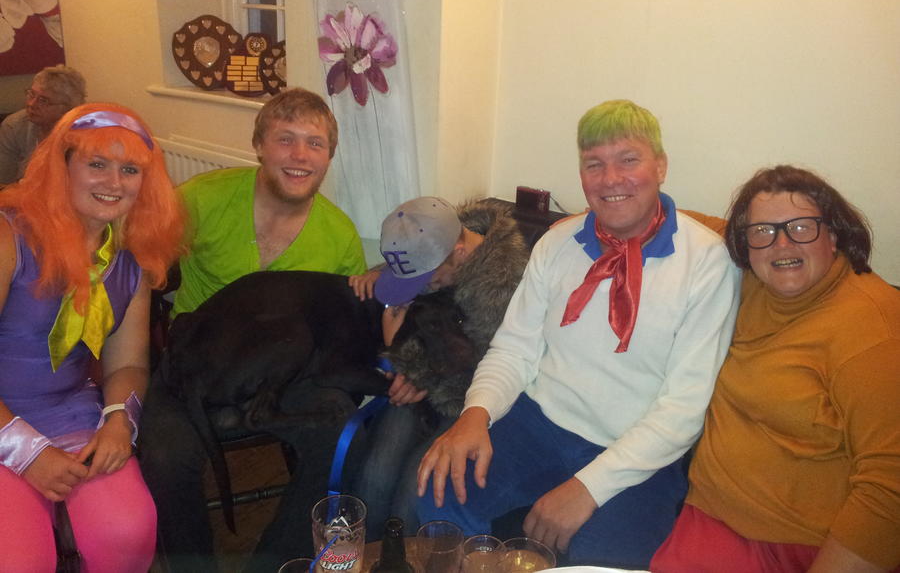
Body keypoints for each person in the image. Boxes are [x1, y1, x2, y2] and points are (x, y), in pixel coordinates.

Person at [417, 99, 742, 569]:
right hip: (537, 422)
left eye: (628, 159)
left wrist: (587, 488)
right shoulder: (558, 242)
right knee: (437, 493)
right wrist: (475, 414)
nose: (610, 179)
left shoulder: (708, 262)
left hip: (639, 451)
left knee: (603, 563)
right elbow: (514, 349)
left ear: (661, 166)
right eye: (594, 164)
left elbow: (683, 409)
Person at [139, 87, 368, 573]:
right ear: (259, 145)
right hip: (198, 367)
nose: (300, 155)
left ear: (329, 156)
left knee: (344, 434)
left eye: (314, 143)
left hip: (281, 378)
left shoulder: (340, 235)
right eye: (285, 139)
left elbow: (346, 332)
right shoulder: (203, 198)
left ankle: (272, 562)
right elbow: (139, 269)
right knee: (163, 456)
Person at [651, 165, 900, 573]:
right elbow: (688, 221)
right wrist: (596, 217)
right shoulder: (752, 281)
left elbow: (890, 485)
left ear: (834, 234)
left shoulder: (874, 328)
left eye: (801, 227)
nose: (781, 244)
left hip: (802, 545)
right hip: (709, 518)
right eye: (763, 231)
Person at [0, 103, 184, 572]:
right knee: (18, 559)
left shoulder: (131, 257)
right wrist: (24, 452)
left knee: (127, 530)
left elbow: (128, 364)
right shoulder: (8, 235)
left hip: (69, 411)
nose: (114, 182)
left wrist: (120, 420)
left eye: (130, 170)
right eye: (97, 164)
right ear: (61, 166)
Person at [350, 196, 530, 539]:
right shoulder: (433, 240)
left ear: (459, 253)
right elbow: (407, 282)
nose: (422, 288)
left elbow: (499, 368)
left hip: (467, 401)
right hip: (420, 379)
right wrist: (377, 279)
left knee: (414, 489)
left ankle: (404, 558)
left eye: (427, 281)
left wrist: (418, 372)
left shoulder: (506, 284)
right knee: (375, 472)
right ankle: (367, 554)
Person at [0, 65, 87, 184]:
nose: (31, 104)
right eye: (31, 94)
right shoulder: (14, 126)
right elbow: (4, 181)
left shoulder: (87, 131)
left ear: (67, 108)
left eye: (43, 100)